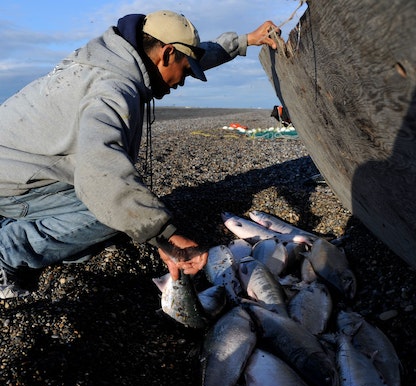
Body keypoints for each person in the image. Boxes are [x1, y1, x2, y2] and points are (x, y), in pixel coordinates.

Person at [0, 10, 279, 299]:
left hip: (25, 168)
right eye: (185, 72)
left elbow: (196, 55)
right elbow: (99, 175)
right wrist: (167, 237)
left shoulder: (116, 56)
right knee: (109, 213)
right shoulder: (112, 91)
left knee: (127, 216)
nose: (183, 82)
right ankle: (6, 252)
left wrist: (246, 40)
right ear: (167, 53)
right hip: (12, 182)